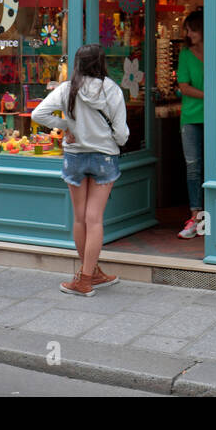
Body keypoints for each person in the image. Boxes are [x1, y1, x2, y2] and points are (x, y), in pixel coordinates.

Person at [31, 44, 129, 297]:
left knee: (79, 218)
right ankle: (87, 276)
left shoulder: (67, 89)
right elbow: (121, 132)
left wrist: (66, 125)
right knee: (94, 219)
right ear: (101, 63)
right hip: (104, 157)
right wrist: (115, 141)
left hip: (74, 157)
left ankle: (89, 274)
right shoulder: (112, 89)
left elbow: (38, 114)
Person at [177, 9, 206, 238]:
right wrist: (211, 96)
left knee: (215, 166)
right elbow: (184, 87)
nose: (188, 33)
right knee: (194, 166)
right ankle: (195, 216)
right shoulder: (185, 55)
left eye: (192, 29)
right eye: (187, 30)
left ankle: (211, 216)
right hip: (191, 117)